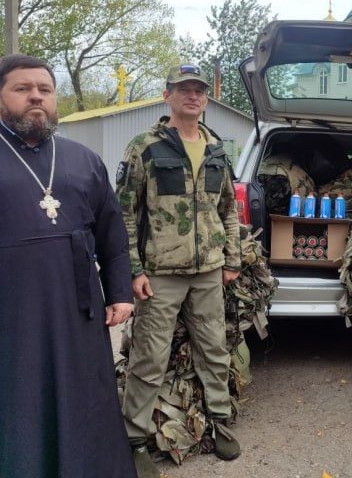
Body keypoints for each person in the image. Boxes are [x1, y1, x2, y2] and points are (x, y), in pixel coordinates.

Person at [0, 54, 135, 477]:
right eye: (22, 89)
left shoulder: (83, 159)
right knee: (21, 402)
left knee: (83, 399)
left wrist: (120, 292)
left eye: (44, 89)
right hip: (12, 312)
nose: (36, 97)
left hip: (78, 312)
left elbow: (113, 234)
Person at [116, 64, 242, 477]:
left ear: (206, 99)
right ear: (167, 94)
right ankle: (134, 439)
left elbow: (229, 211)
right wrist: (134, 270)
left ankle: (220, 421)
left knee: (214, 350)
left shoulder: (218, 149)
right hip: (161, 273)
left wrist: (233, 260)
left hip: (208, 270)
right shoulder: (145, 147)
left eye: (199, 91)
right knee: (150, 357)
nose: (193, 96)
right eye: (184, 89)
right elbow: (125, 215)